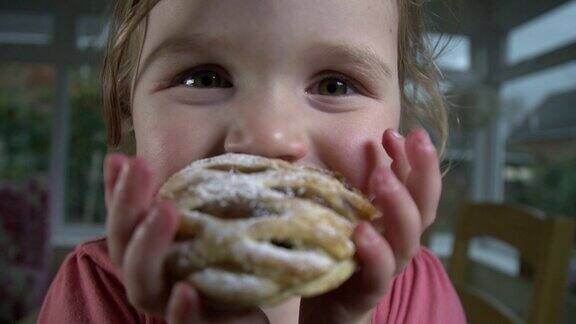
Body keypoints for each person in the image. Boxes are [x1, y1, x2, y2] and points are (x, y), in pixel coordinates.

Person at [39, 0, 466, 323]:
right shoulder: (94, 290)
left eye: (335, 85)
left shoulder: (418, 295)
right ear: (125, 105)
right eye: (203, 78)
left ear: (400, 118)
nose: (268, 137)